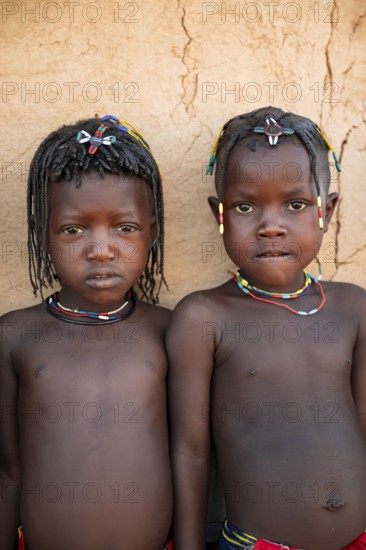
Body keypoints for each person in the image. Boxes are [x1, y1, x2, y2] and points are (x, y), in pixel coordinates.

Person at [167, 107, 366, 550]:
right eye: (245, 206)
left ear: (326, 212)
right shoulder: (204, 317)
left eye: (295, 205)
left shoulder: (354, 307)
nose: (271, 227)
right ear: (219, 216)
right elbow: (190, 453)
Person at [0, 116, 173, 550]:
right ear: (44, 235)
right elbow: (7, 472)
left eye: (126, 228)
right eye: (73, 230)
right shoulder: (16, 336)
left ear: (151, 231)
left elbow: (190, 457)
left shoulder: (170, 331)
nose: (101, 249)